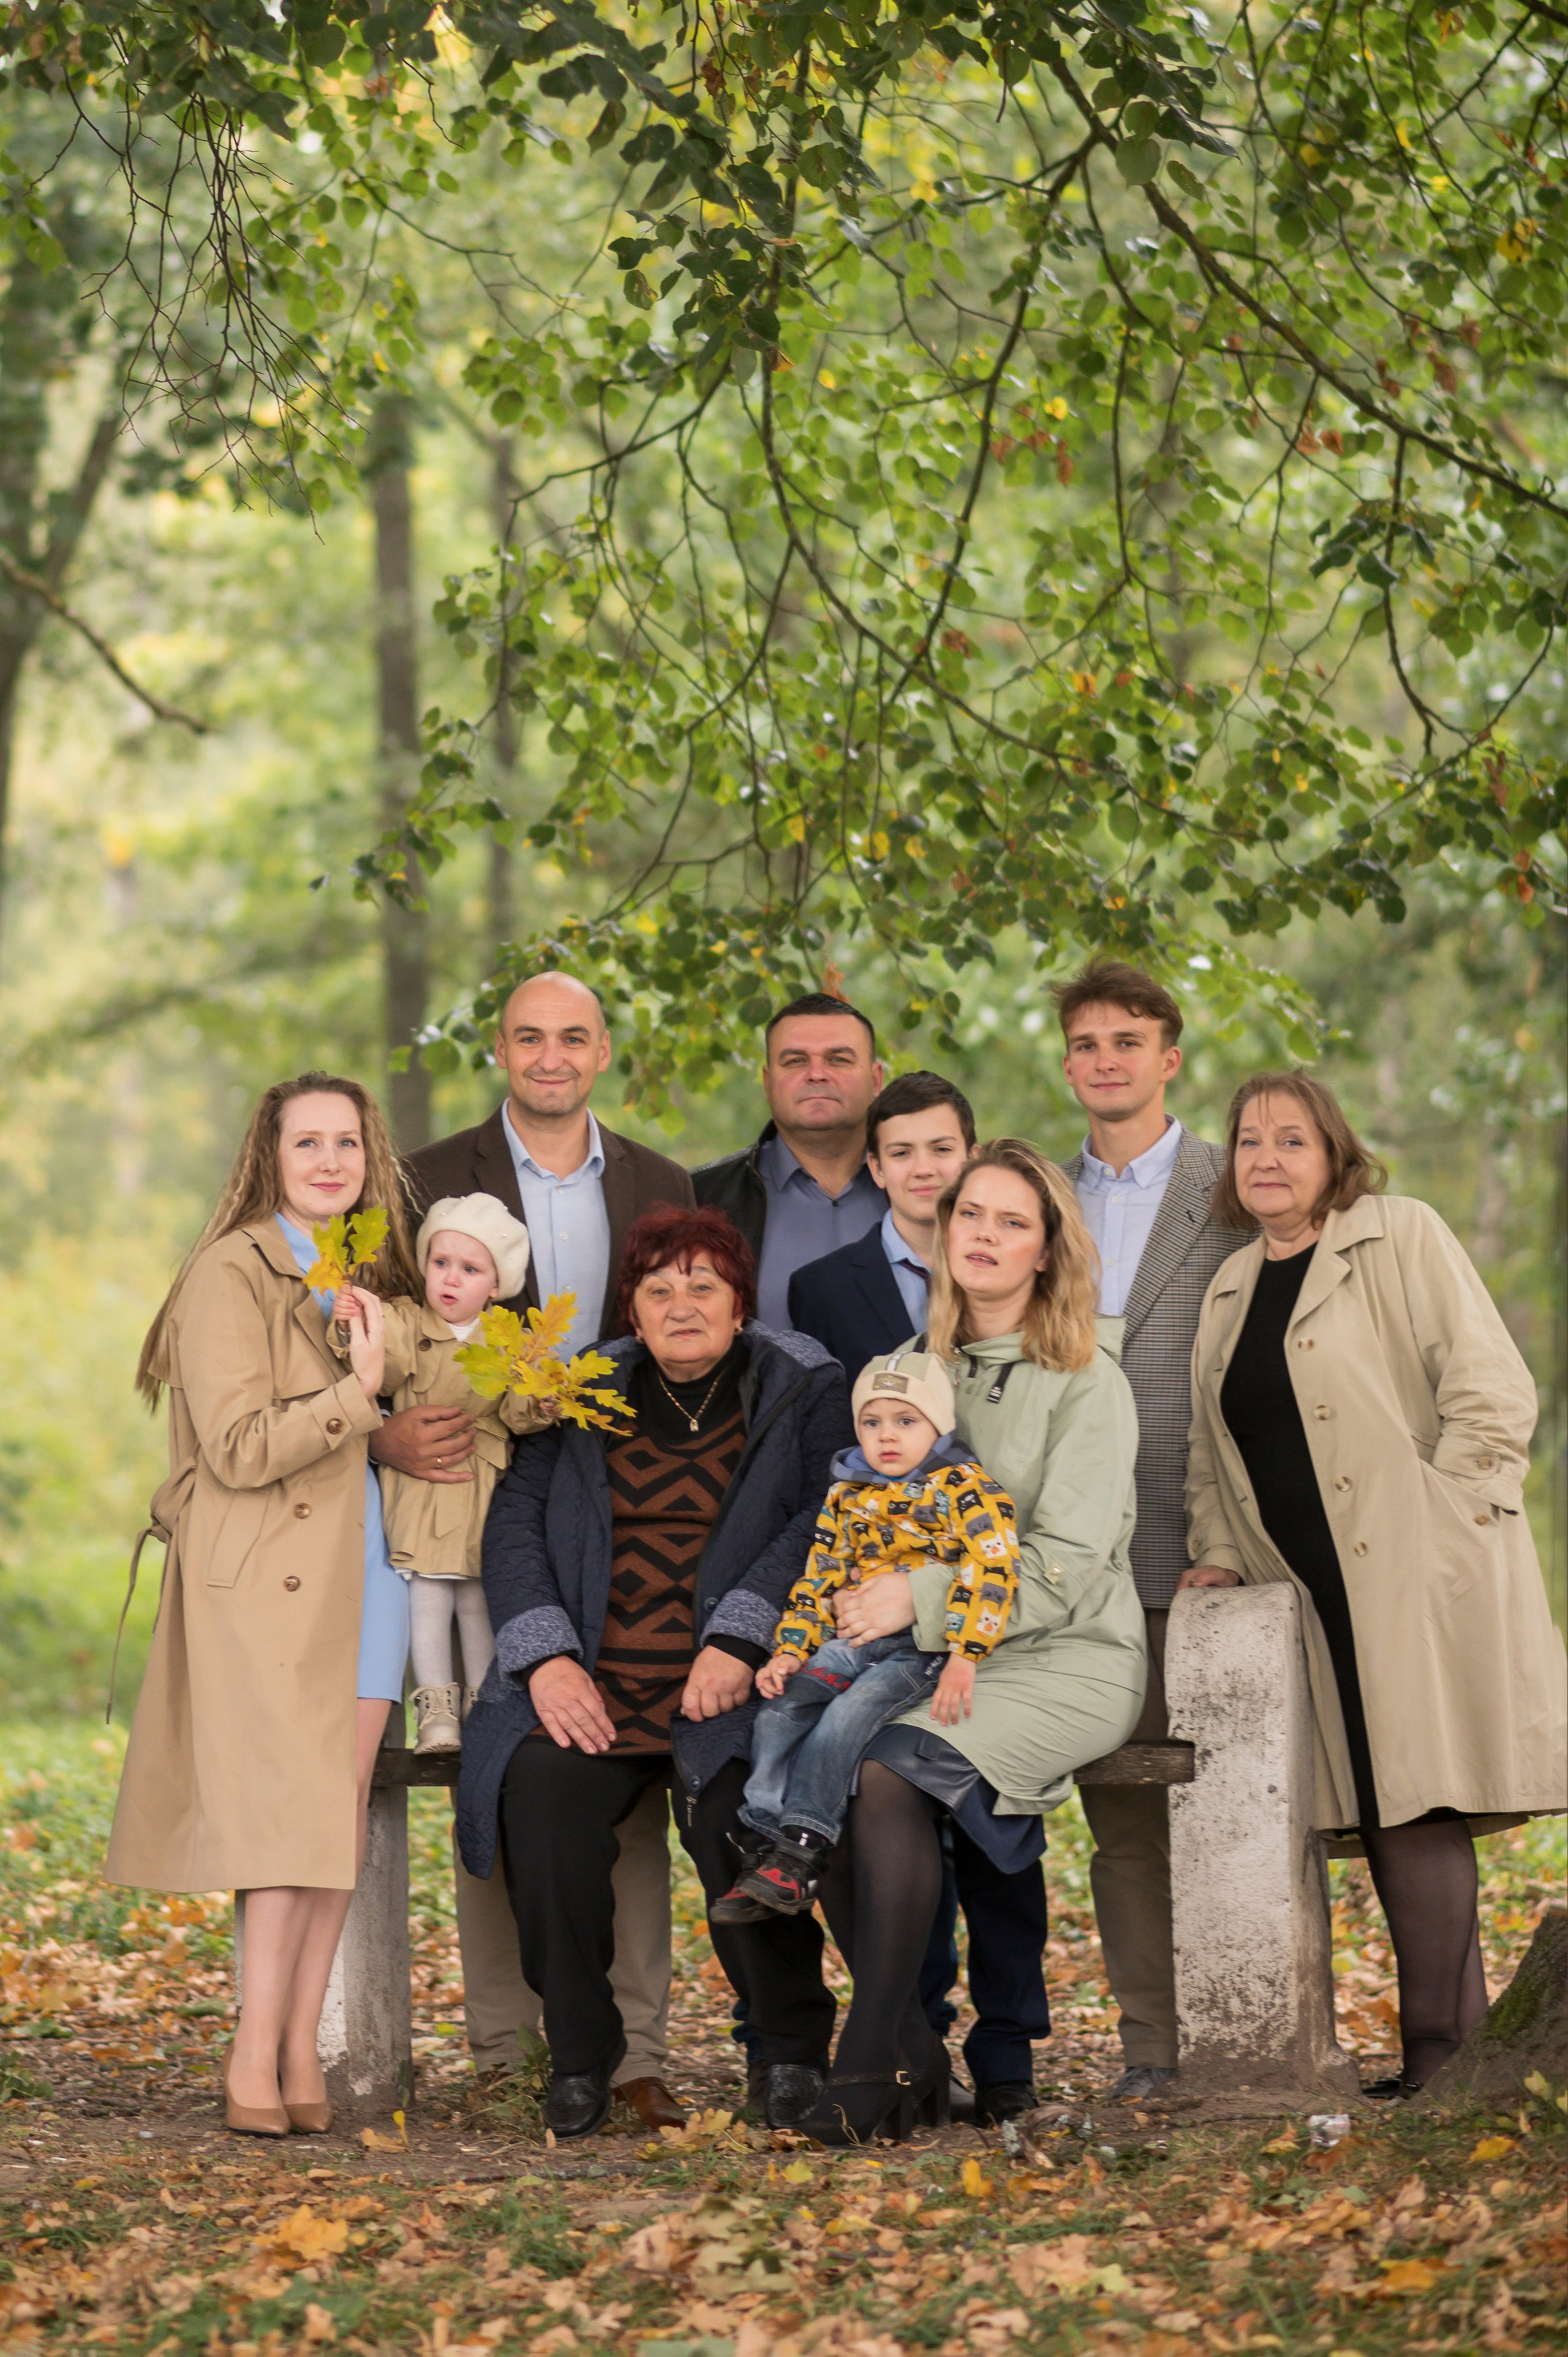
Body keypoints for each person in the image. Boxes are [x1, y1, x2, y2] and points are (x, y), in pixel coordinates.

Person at [1182, 1071, 1567, 2095]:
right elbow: (1208, 1455)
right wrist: (1217, 1547)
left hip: (1418, 1575)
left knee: (1424, 1799)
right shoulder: (1228, 1288)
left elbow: (1489, 1385)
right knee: (1393, 1802)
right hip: (1305, 1592)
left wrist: (1454, 1513)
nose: (1266, 1156)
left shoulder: (1397, 1234)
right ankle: (1459, 2052)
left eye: (1292, 1139)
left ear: (1334, 1153)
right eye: (1249, 1140)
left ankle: (1439, 2053)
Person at [455, 1205, 850, 2136]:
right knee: (541, 1797)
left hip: (730, 1684)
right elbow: (513, 1524)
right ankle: (583, 2056)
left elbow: (822, 1514)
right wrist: (546, 1659)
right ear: (629, 1305)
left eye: (703, 1285)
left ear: (739, 1300)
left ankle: (789, 2053)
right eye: (658, 1286)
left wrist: (742, 1635)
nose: (681, 1304)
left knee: (741, 1817)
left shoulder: (798, 1381)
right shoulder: (581, 1388)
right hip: (593, 1674)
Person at [380, 972, 697, 2130]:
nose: (551, 1055)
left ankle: (636, 2050)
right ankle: (507, 2041)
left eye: (573, 1036)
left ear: (603, 1050)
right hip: (471, 1496)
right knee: (496, 1756)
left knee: (616, 1753)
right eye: (529, 1036)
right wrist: (379, 1434)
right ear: (500, 1050)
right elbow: (374, 1339)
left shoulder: (665, 1181)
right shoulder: (420, 1178)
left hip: (625, 1502)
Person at [797, 1141, 1148, 2144]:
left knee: (894, 1772)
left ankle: (868, 2067)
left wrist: (918, 1596)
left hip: (1067, 1653)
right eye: (971, 1216)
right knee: (816, 1764)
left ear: (1047, 1252)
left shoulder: (1087, 1380)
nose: (986, 1236)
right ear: (943, 1236)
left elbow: (1065, 1566)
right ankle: (909, 2041)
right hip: (937, 1655)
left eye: (1013, 1222)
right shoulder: (920, 1375)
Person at [106, 1074, 420, 2137]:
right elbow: (239, 1449)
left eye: (348, 1143)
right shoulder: (229, 1273)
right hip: (274, 1579)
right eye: (308, 1143)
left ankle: (299, 2050)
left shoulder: (362, 1271)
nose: (331, 1161)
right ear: (269, 1155)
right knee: (286, 1826)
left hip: (370, 1570)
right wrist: (359, 1392)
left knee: (330, 1819)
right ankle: (254, 2046)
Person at [1056, 958, 1243, 2103]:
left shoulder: (1236, 1186)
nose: (1108, 1060)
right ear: (1068, 1063)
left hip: (1211, 1544)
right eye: (1088, 1043)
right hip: (1078, 1564)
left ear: (1169, 1057)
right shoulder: (1033, 1196)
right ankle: (1151, 2048)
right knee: (1121, 1817)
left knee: (1236, 1800)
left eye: (1130, 1040)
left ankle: (1250, 2027)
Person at [712, 1348, 1020, 1918]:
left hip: (920, 1648)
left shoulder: (967, 1489)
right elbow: (820, 1576)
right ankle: (765, 1840)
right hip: (851, 1640)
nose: (887, 1436)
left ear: (939, 1425)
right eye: (871, 1422)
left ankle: (802, 1848)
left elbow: (993, 1571)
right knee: (784, 1708)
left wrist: (965, 1656)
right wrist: (789, 1649)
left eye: (906, 1421)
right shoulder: (847, 1491)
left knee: (845, 1720)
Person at [331, 1193, 548, 1754]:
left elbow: (517, 1412)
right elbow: (383, 1367)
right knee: (427, 1593)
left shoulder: (510, 1338)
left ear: (496, 1286)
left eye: (470, 1269)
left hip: (479, 1482)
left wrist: (542, 1402)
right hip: (425, 1481)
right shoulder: (405, 1320)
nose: (451, 1278)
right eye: (440, 1262)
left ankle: (485, 1701)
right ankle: (436, 1707)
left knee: (477, 1595)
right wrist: (356, 1325)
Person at [693, 993, 886, 1331]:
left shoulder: (936, 1194)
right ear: (768, 1083)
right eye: (796, 1061)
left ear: (876, 1081)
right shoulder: (700, 1197)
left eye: (838, 1059)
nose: (816, 1075)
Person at [788, 1073, 976, 1384]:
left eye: (941, 1150)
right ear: (877, 1169)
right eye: (902, 1153)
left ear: (973, 1159)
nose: (923, 1169)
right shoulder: (822, 1289)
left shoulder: (1010, 1267)